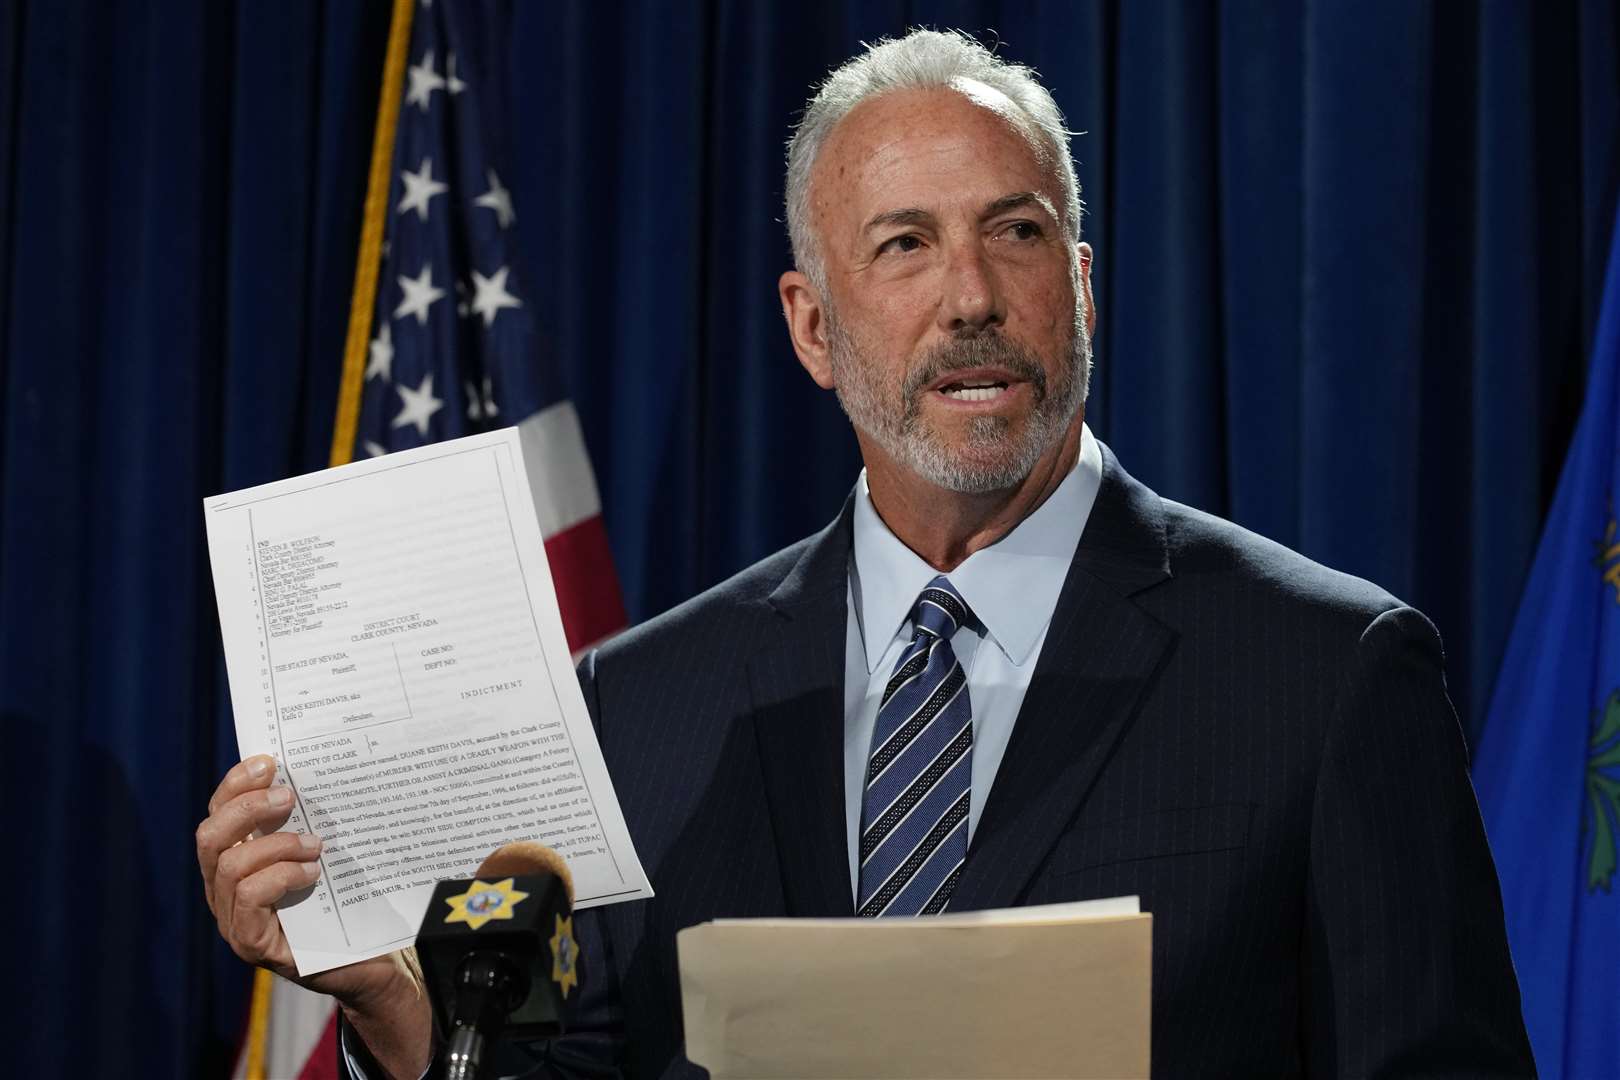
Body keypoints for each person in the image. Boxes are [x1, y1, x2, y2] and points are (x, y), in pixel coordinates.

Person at [198, 29, 1535, 1078]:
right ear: (813, 325)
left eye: (1014, 233)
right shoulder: (643, 702)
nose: (971, 297)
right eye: (904, 245)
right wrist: (387, 1002)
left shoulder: (1329, 672)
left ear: (1077, 285)